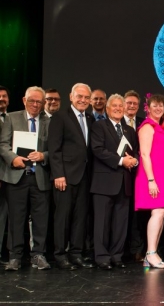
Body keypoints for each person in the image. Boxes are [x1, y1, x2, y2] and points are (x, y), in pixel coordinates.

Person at [0, 86, 51, 271]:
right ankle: (15, 257)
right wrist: (13, 158)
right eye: (32, 101)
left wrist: (43, 155)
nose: (35, 105)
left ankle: (38, 254)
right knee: (16, 218)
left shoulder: (49, 121)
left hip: (40, 177)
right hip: (17, 176)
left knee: (40, 218)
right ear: (24, 100)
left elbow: (55, 148)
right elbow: (3, 144)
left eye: (39, 102)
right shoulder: (12, 118)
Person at [48, 83, 95, 270]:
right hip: (65, 177)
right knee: (63, 217)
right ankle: (60, 255)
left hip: (85, 176)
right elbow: (54, 148)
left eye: (86, 97)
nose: (83, 100)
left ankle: (76, 254)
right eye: (79, 96)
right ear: (71, 97)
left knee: (80, 217)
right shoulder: (60, 117)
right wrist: (58, 174)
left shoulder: (90, 118)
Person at [90, 94, 139, 270]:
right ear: (107, 109)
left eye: (121, 106)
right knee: (102, 222)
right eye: (115, 106)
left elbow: (135, 153)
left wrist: (134, 161)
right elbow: (97, 150)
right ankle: (102, 257)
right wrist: (121, 161)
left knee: (121, 222)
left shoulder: (129, 130)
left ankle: (116, 255)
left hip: (124, 183)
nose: (118, 108)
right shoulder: (99, 126)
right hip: (104, 182)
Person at [135, 94, 164, 268]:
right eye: (155, 106)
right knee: (157, 213)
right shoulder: (147, 127)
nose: (158, 109)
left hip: (163, 176)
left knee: (161, 213)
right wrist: (151, 180)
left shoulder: (161, 127)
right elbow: (144, 154)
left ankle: (151, 253)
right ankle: (150, 253)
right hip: (152, 176)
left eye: (161, 106)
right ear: (148, 108)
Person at [122, 90, 146, 262]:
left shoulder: (142, 123)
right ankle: (120, 249)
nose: (131, 106)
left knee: (137, 216)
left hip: (138, 174)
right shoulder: (113, 123)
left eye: (135, 104)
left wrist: (135, 161)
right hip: (118, 173)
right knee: (121, 214)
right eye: (128, 103)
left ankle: (136, 249)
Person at [0, 85, 10, 265]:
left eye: (4, 96)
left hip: (9, 175)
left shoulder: (13, 118)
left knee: (4, 215)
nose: (1, 99)